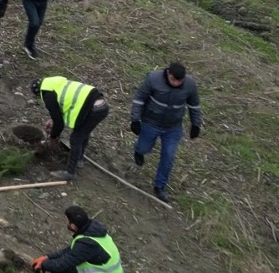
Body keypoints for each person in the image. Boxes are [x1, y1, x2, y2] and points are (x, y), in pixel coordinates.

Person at [130, 61, 204, 203]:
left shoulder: (190, 84)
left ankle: (160, 186)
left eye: (179, 81)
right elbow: (139, 99)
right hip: (151, 122)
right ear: (168, 73)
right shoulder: (153, 79)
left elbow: (194, 105)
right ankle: (139, 151)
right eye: (173, 79)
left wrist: (196, 124)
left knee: (168, 156)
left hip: (173, 127)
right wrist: (135, 120)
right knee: (144, 147)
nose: (176, 83)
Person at [33, 75, 109, 180]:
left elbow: (59, 123)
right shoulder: (56, 84)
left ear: (38, 93)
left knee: (76, 138)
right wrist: (53, 120)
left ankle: (70, 172)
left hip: (94, 110)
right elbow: (67, 103)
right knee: (82, 132)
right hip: (101, 105)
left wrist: (53, 137)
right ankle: (79, 159)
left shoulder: (47, 95)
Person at [30, 206, 123, 273]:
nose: (64, 222)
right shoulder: (91, 231)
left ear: (73, 226)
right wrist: (47, 257)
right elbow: (70, 251)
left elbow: (61, 265)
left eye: (66, 221)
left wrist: (43, 265)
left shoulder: (87, 244)